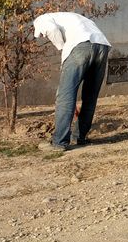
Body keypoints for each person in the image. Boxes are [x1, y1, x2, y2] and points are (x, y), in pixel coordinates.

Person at [33, 12, 111, 151]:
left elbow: (51, 30)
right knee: (90, 97)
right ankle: (80, 137)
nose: (44, 36)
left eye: (42, 34)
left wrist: (63, 48)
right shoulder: (73, 17)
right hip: (102, 45)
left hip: (80, 46)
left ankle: (59, 142)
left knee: (65, 97)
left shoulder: (41, 19)